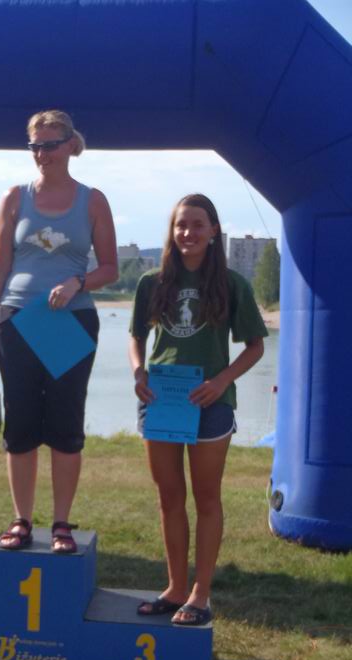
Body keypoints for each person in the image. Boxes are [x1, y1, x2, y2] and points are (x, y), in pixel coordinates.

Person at [0, 110, 118, 553]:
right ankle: (21, 520)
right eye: (35, 146)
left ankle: (61, 524)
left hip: (69, 319)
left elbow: (110, 268)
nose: (42, 154)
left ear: (71, 145)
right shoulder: (14, 197)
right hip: (17, 318)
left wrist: (78, 282)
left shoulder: (92, 201)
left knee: (64, 422)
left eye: (50, 145)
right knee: (20, 422)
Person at [128, 194, 267, 625]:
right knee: (169, 498)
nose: (188, 232)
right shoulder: (151, 282)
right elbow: (136, 337)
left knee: (207, 498)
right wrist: (138, 372)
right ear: (172, 231)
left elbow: (256, 346)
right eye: (181, 225)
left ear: (213, 231)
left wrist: (222, 380)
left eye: (197, 225)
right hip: (162, 401)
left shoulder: (232, 283)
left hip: (210, 402)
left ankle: (200, 595)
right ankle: (175, 588)